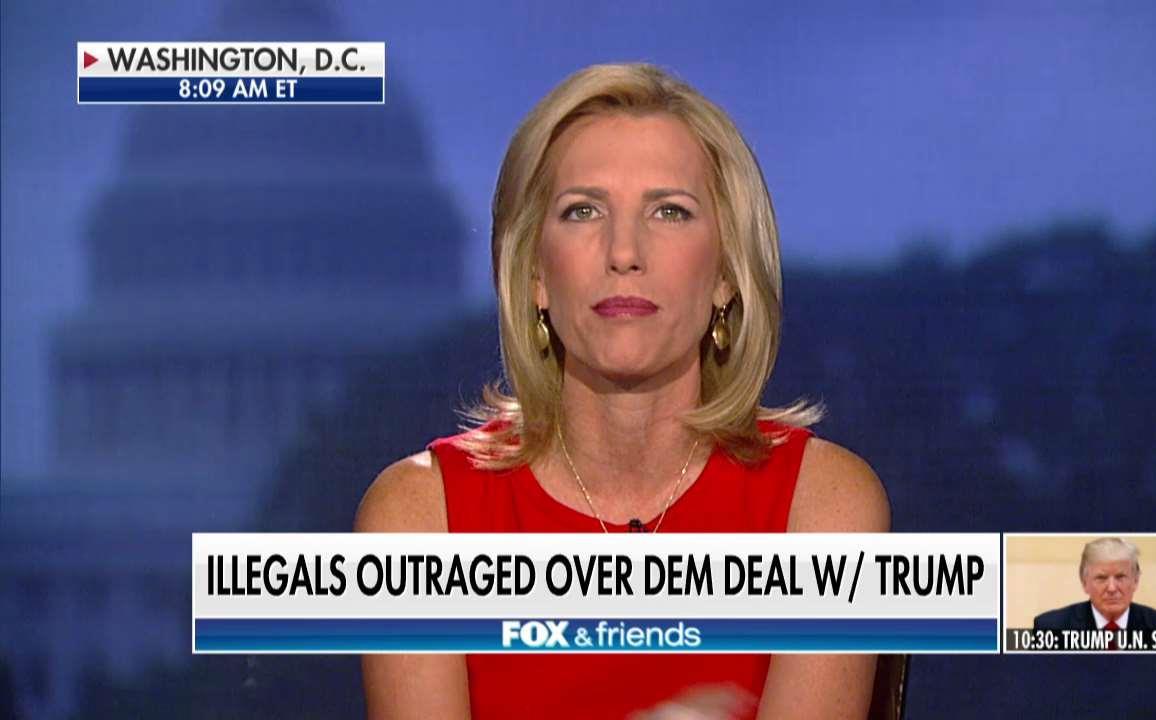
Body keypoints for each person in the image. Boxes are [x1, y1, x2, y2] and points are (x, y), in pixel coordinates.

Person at [355, 62, 890, 719]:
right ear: (534, 274)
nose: (624, 252)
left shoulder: (823, 508)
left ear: (725, 273)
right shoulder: (419, 520)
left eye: (670, 211)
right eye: (583, 211)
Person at [1033, 537, 1156, 632]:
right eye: (1101, 578)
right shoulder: (1051, 628)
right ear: (1084, 582)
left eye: (1120, 577)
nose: (1112, 588)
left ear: (1135, 581)